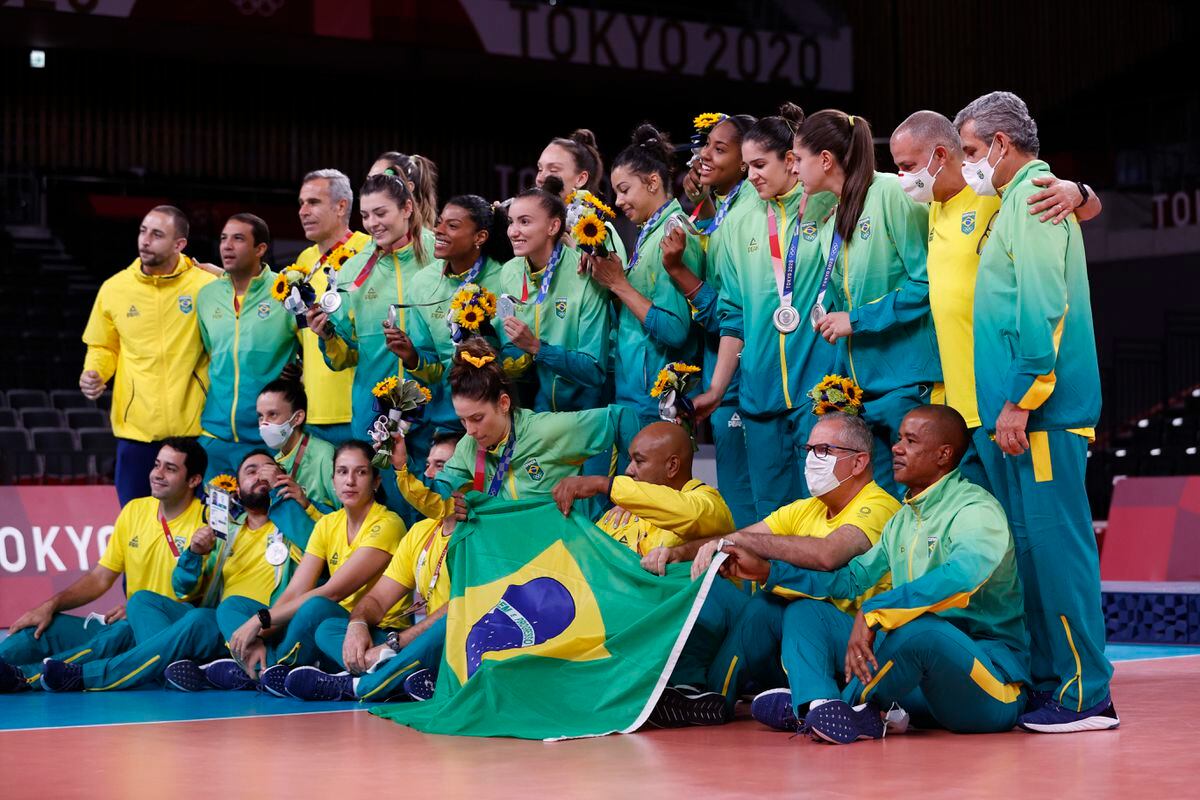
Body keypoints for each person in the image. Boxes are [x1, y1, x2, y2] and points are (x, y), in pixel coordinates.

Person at [954, 91, 1117, 733]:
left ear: (1000, 144)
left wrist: (1022, 398)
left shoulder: (1034, 197)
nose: (970, 164)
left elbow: (1045, 307)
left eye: (971, 151)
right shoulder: (1012, 203)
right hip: (1019, 415)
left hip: (1042, 414)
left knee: (1058, 555)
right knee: (1031, 556)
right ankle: (1056, 682)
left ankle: (1088, 695)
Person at [732, 405, 1030, 743]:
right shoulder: (902, 520)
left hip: (988, 686)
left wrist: (878, 610)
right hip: (917, 687)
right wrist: (770, 571)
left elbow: (962, 575)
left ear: (943, 455)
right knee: (806, 609)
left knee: (922, 630)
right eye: (899, 438)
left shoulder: (975, 509)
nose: (897, 448)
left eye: (911, 441)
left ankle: (842, 708)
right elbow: (850, 580)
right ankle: (822, 704)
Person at [889, 110, 1103, 489]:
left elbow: (1063, 208)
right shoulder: (932, 206)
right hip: (960, 406)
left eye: (908, 166)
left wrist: (1079, 192)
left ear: (940, 156)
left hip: (1006, 397)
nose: (904, 177)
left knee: (1036, 534)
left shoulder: (995, 191)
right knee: (998, 534)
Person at [643, 411, 899, 716]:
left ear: (859, 462)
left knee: (801, 608)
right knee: (752, 600)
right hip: (806, 643)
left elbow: (828, 553)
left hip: (860, 641)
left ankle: (821, 707)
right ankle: (709, 698)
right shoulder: (808, 508)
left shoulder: (879, 505)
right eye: (809, 450)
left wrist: (740, 545)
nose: (812, 460)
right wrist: (678, 553)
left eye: (824, 451)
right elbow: (739, 536)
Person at [38, 451, 305, 692]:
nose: (260, 475)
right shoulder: (226, 533)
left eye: (269, 470)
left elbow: (317, 550)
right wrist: (193, 555)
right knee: (142, 600)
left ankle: (90, 676)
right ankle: (180, 670)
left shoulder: (292, 527)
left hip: (258, 624)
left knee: (199, 619)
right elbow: (183, 589)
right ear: (237, 488)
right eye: (251, 471)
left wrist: (285, 500)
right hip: (216, 628)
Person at [169, 440, 410, 696]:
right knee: (232, 606)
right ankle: (265, 668)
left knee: (316, 608)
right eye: (342, 472)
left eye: (360, 472)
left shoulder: (387, 523)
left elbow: (333, 592)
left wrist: (261, 620)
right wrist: (259, 630)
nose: (350, 480)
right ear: (333, 479)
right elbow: (295, 590)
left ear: (375, 482)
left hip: (366, 630)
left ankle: (265, 670)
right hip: (330, 629)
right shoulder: (328, 524)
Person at [694, 105, 840, 515]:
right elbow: (733, 316)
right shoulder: (740, 225)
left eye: (759, 164)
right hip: (759, 395)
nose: (751, 174)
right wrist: (718, 389)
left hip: (819, 393)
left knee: (823, 511)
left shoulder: (829, 207)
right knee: (771, 516)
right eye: (746, 167)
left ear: (791, 161)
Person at [794, 111, 937, 498]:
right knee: (877, 513)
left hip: (906, 384)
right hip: (863, 392)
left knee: (916, 506)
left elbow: (926, 282)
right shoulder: (833, 217)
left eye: (797, 159)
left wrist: (856, 320)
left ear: (825, 160)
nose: (794, 170)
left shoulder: (890, 192)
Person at [0, 438, 208, 692]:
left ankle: (27, 677)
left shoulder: (205, 524)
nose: (158, 474)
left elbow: (197, 596)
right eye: (157, 465)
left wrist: (136, 610)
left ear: (194, 480)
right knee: (40, 630)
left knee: (113, 638)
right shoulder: (135, 510)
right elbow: (100, 577)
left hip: (157, 632)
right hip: (121, 621)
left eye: (170, 469)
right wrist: (49, 605)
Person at [307, 172, 437, 517]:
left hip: (434, 411)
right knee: (387, 518)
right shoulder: (353, 271)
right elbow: (345, 356)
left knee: (434, 512)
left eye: (381, 213)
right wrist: (327, 336)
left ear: (407, 208)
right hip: (374, 416)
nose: (372, 224)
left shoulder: (438, 256)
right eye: (365, 216)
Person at [657, 112, 759, 527]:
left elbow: (735, 311)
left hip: (747, 371)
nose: (703, 156)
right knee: (739, 499)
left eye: (719, 149)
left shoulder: (748, 214)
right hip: (727, 370)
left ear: (745, 160)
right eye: (704, 147)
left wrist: (679, 272)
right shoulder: (724, 213)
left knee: (754, 503)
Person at [80, 206, 215, 505]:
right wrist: (96, 373)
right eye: (143, 231)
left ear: (179, 244)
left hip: (195, 431)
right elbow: (103, 346)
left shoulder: (205, 287)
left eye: (157, 234)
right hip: (136, 433)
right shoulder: (115, 289)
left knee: (201, 528)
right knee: (136, 524)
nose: (145, 240)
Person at [586, 124, 702, 429]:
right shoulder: (649, 235)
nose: (619, 201)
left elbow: (676, 331)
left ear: (652, 182)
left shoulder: (674, 233)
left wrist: (620, 285)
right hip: (636, 395)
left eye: (624, 190)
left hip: (656, 401)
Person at [281, 514, 456, 703]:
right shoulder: (422, 530)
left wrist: (393, 644)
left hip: (453, 644)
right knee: (329, 629)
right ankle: (407, 679)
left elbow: (459, 606)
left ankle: (358, 686)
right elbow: (377, 599)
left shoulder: (482, 531)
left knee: (452, 619)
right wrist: (358, 624)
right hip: (411, 647)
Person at [197, 213, 300, 480]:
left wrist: (298, 369)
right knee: (217, 520)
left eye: (238, 239)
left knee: (268, 518)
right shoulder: (207, 297)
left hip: (269, 437)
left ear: (260, 249)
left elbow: (310, 349)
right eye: (223, 239)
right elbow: (212, 352)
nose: (227, 246)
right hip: (216, 435)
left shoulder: (286, 291)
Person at [496, 177, 611, 414]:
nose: (513, 232)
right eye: (511, 222)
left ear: (553, 227)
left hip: (588, 415)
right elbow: (511, 349)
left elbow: (594, 370)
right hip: (537, 414)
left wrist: (537, 348)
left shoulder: (585, 273)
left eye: (524, 222)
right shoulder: (510, 272)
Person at [404, 195, 512, 436]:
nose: (438, 230)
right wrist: (412, 357)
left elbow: (518, 360)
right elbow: (433, 368)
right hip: (447, 418)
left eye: (452, 226)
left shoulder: (507, 278)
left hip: (501, 417)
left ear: (480, 237)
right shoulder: (422, 282)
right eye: (440, 222)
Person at [553, 421, 733, 556]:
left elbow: (692, 515)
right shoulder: (621, 512)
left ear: (672, 466)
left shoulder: (709, 503)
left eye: (639, 461)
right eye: (630, 460)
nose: (628, 470)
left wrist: (604, 484)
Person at [293, 169, 373, 445]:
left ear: (341, 206)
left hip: (360, 408)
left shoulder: (369, 249)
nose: (303, 211)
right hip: (315, 410)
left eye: (313, 202)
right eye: (301, 203)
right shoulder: (304, 259)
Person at [535, 129, 628, 262]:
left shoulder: (601, 233)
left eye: (553, 170)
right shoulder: (530, 227)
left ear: (580, 179)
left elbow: (614, 281)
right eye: (540, 169)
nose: (541, 178)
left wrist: (573, 253)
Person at [256, 379, 339, 517]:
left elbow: (348, 517)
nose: (264, 424)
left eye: (273, 414)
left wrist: (306, 503)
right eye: (260, 416)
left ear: (298, 417)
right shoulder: (274, 463)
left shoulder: (325, 455)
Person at [368, 151, 439, 231]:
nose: (369, 188)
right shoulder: (369, 240)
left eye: (380, 181)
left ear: (408, 188)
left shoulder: (430, 241)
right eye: (369, 180)